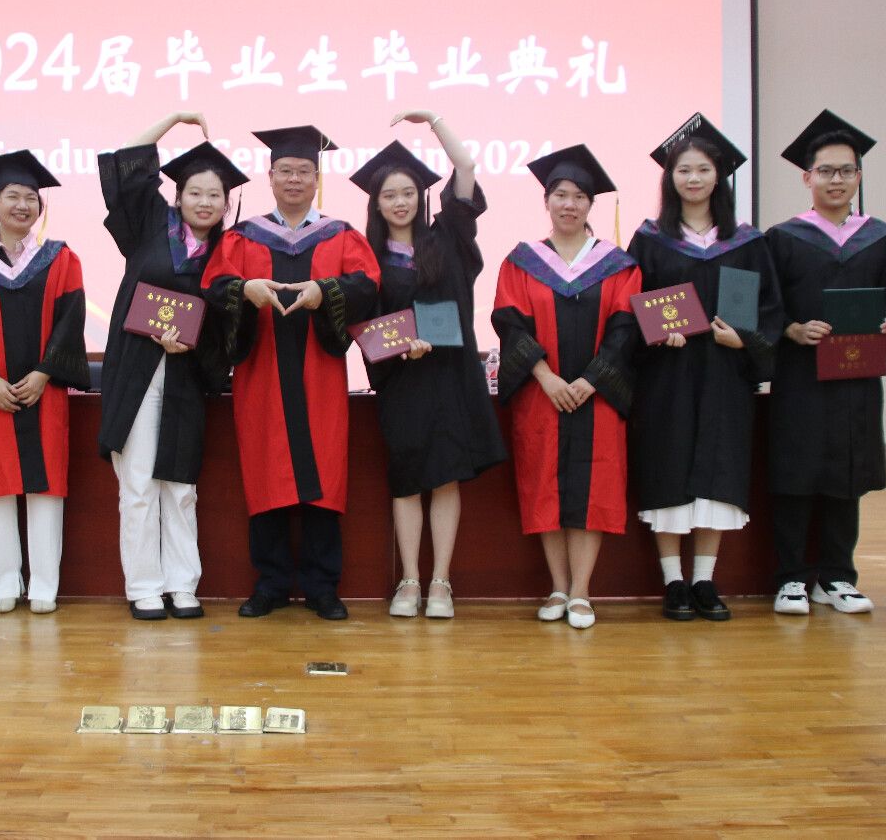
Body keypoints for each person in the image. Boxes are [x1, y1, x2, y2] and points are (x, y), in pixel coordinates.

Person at [202, 125, 380, 621]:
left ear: (316, 178)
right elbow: (215, 284)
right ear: (270, 176)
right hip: (261, 374)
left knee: (323, 474)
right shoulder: (243, 236)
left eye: (304, 171)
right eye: (285, 170)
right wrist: (245, 290)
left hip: (319, 374)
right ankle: (272, 584)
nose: (294, 179)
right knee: (267, 474)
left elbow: (367, 283)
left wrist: (326, 291)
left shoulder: (341, 234)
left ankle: (322, 588)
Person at [627, 114, 783, 622]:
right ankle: (673, 581)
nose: (693, 178)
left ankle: (704, 580)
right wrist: (654, 333)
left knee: (719, 470)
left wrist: (746, 340)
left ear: (719, 176)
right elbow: (629, 304)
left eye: (702, 169)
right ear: (669, 178)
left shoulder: (748, 242)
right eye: (683, 170)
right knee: (669, 468)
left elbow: (770, 311)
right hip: (667, 376)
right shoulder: (651, 239)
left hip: (723, 374)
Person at [351, 113, 506, 620]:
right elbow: (365, 323)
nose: (400, 201)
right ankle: (409, 581)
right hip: (403, 381)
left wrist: (435, 121)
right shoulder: (369, 257)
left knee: (445, 478)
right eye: (390, 195)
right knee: (406, 479)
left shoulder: (447, 238)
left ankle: (440, 581)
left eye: (408, 192)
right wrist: (400, 347)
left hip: (450, 376)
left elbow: (466, 167)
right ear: (376, 203)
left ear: (421, 196)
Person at [97, 113, 243, 620]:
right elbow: (125, 164)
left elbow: (230, 322)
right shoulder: (148, 227)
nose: (204, 202)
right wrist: (172, 119)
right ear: (177, 196)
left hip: (187, 371)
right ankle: (143, 585)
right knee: (138, 483)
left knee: (180, 486)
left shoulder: (230, 251)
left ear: (226, 203)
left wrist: (193, 344)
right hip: (137, 368)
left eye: (214, 195)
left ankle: (182, 584)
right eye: (194, 192)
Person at [493, 145, 639, 629]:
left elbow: (624, 329)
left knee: (593, 487)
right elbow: (510, 324)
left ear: (591, 204)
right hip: (543, 393)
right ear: (547, 201)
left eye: (579, 196)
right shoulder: (522, 262)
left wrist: (591, 381)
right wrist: (547, 377)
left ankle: (581, 592)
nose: (569, 204)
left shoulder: (619, 264)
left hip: (597, 396)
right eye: (560, 195)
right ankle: (558, 586)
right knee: (546, 487)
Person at [766, 111, 886, 616]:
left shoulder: (882, 238)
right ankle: (791, 578)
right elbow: (767, 306)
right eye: (825, 171)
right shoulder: (782, 238)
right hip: (800, 376)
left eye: (846, 170)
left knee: (847, 475)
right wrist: (792, 330)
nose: (836, 180)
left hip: (855, 378)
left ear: (858, 177)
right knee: (796, 473)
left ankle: (838, 576)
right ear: (808, 178)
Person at [0, 148, 89, 615]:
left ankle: (45, 584)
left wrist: (45, 372)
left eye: (30, 198)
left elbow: (71, 319)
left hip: (44, 389)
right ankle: (3, 583)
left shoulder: (61, 258)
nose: (22, 205)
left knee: (46, 486)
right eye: (13, 196)